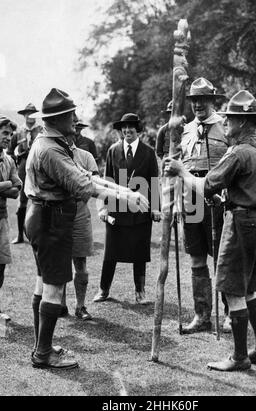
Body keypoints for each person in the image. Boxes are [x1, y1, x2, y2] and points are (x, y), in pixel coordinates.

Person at [25, 90, 148, 370]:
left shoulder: (54, 142)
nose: (75, 118)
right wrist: (128, 198)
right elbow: (83, 186)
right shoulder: (51, 149)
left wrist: (124, 190)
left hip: (45, 218)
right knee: (53, 289)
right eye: (71, 114)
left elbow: (88, 175)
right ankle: (43, 353)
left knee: (43, 283)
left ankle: (41, 346)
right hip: (50, 220)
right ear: (57, 118)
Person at [165, 90, 256, 371]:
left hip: (242, 224)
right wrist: (225, 198)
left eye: (230, 120)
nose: (226, 124)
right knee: (250, 291)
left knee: (233, 290)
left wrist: (181, 171)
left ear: (242, 122)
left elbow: (205, 185)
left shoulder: (238, 153)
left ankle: (239, 357)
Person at [179, 77, 230, 334]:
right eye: (194, 100)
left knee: (222, 257)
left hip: (217, 197)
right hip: (190, 197)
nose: (198, 104)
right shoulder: (186, 129)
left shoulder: (226, 127)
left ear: (212, 100)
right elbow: (180, 164)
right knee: (196, 257)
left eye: (203, 99)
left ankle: (230, 313)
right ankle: (202, 315)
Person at [93, 113, 161, 304]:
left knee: (139, 253)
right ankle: (103, 290)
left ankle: (140, 292)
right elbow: (107, 181)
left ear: (137, 129)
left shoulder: (148, 152)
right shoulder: (113, 150)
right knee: (111, 253)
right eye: (124, 127)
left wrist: (155, 208)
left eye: (131, 127)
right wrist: (104, 208)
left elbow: (154, 182)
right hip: (116, 209)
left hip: (141, 210)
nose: (127, 130)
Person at [60, 133, 100, 320]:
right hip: (58, 212)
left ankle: (80, 306)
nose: (70, 130)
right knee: (60, 261)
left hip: (80, 212)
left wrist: (85, 179)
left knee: (80, 262)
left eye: (74, 125)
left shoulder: (85, 156)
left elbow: (95, 185)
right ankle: (59, 305)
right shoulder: (54, 153)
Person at [7, 103, 42, 244]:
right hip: (22, 167)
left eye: (33, 113)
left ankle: (39, 235)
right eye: (27, 113)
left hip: (38, 167)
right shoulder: (18, 132)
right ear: (24, 115)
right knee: (22, 202)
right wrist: (15, 163)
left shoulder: (41, 130)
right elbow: (9, 151)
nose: (30, 116)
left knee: (40, 199)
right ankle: (20, 235)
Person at [0, 116, 22, 317]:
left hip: (2, 219)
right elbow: (12, 186)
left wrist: (5, 186)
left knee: (1, 265)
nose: (8, 137)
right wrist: (7, 185)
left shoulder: (8, 160)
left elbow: (17, 190)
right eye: (5, 133)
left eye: (10, 134)